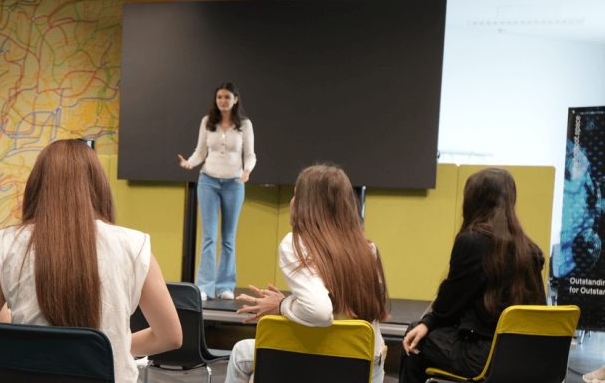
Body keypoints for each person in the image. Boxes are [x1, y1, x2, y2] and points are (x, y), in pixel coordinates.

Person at [0, 139, 182, 383]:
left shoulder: (4, 244)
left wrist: (27, 357)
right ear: (99, 186)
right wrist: (105, 351)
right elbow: (170, 336)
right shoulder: (135, 246)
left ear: (37, 185)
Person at [225, 164, 389, 383]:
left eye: (295, 195)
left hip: (322, 364)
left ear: (307, 205)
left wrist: (281, 306)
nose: (292, 201)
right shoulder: (369, 249)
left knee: (240, 354)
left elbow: (319, 312)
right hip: (368, 368)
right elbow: (340, 311)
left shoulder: (296, 243)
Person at [399, 168, 546, 383]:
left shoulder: (473, 241)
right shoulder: (530, 249)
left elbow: (448, 306)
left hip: (486, 356)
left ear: (475, 202)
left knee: (415, 338)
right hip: (528, 356)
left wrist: (427, 321)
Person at [177, 82, 256, 301]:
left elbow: (250, 154)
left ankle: (225, 286)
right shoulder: (207, 122)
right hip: (208, 182)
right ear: (216, 99)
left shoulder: (244, 125)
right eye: (219, 97)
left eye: (227, 97)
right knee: (209, 237)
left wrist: (247, 171)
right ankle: (204, 286)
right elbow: (200, 151)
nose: (223, 101)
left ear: (235, 100)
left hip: (234, 183)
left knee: (228, 238)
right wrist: (190, 163)